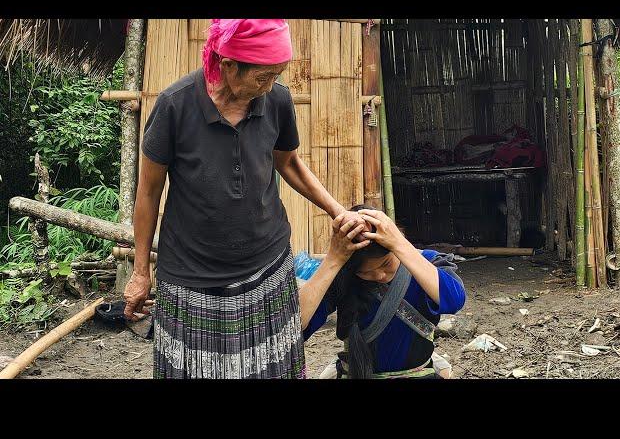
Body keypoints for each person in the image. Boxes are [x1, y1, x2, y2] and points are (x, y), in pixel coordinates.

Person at [123, 19, 365, 379]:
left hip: (266, 266)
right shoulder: (175, 105)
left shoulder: (277, 100)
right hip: (192, 277)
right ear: (228, 64)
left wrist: (338, 211)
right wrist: (141, 271)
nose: (269, 86)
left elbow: (289, 163)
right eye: (263, 76)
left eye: (276, 75)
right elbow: (148, 193)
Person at [298, 205, 466, 379]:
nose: (379, 274)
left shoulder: (425, 263)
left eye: (386, 264)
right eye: (365, 272)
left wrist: (399, 242)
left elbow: (455, 299)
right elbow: (296, 326)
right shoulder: (342, 276)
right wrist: (333, 259)